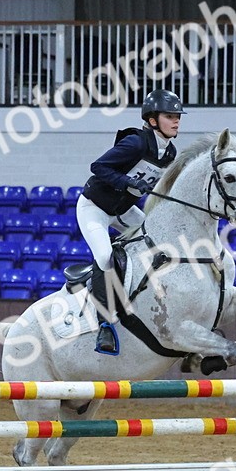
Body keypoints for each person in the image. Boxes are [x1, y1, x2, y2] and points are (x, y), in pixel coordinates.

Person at [77, 88, 185, 354]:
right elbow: (98, 167)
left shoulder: (170, 153)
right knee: (104, 256)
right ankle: (104, 323)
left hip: (124, 211)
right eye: (169, 116)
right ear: (152, 120)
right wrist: (127, 182)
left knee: (160, 240)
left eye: (177, 116)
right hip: (95, 209)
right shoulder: (136, 143)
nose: (176, 121)